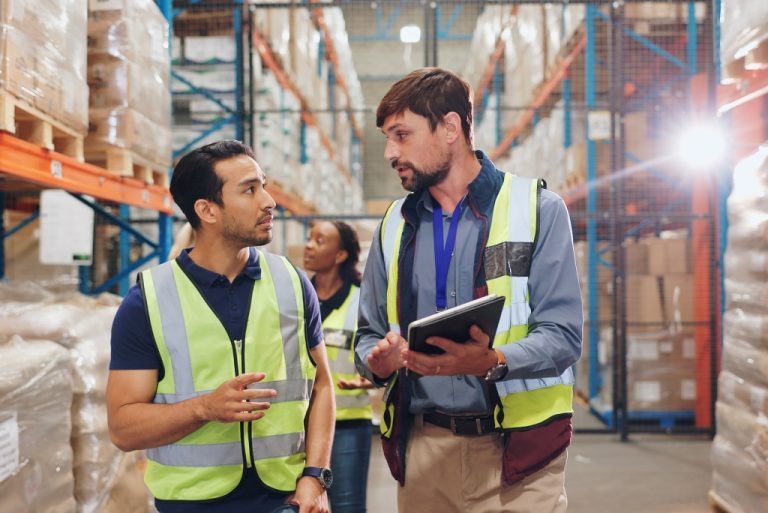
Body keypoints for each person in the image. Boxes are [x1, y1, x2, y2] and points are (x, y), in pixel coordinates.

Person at [354, 68, 583, 513]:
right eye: (387, 138)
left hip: (520, 457)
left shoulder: (538, 210)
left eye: (402, 135)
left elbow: (563, 335)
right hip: (424, 451)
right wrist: (375, 361)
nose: (389, 152)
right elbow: (368, 333)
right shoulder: (393, 226)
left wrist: (495, 361)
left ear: (451, 127)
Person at [106, 140, 335, 513]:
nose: (269, 201)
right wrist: (203, 408)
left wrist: (315, 476)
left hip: (286, 499)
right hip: (192, 504)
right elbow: (122, 427)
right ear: (206, 210)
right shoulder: (147, 301)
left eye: (263, 185)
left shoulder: (292, 283)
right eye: (250, 189)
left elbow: (322, 383)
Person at [303, 220, 373, 513]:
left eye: (319, 240)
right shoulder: (296, 296)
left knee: (347, 506)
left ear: (341, 255)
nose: (309, 245)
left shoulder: (362, 300)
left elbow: (377, 351)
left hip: (348, 424)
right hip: (301, 424)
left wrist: (373, 376)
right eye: (309, 238)